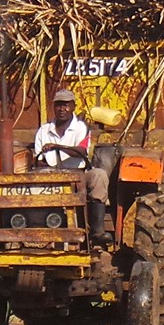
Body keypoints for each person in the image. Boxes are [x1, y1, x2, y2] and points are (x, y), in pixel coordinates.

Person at [34, 88, 113, 245]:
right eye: (58, 105)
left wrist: (57, 147)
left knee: (99, 176)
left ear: (73, 107)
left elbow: (81, 151)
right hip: (51, 176)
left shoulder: (81, 128)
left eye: (66, 105)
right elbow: (38, 159)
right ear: (53, 107)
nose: (62, 109)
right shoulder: (44, 131)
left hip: (78, 174)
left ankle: (97, 231)